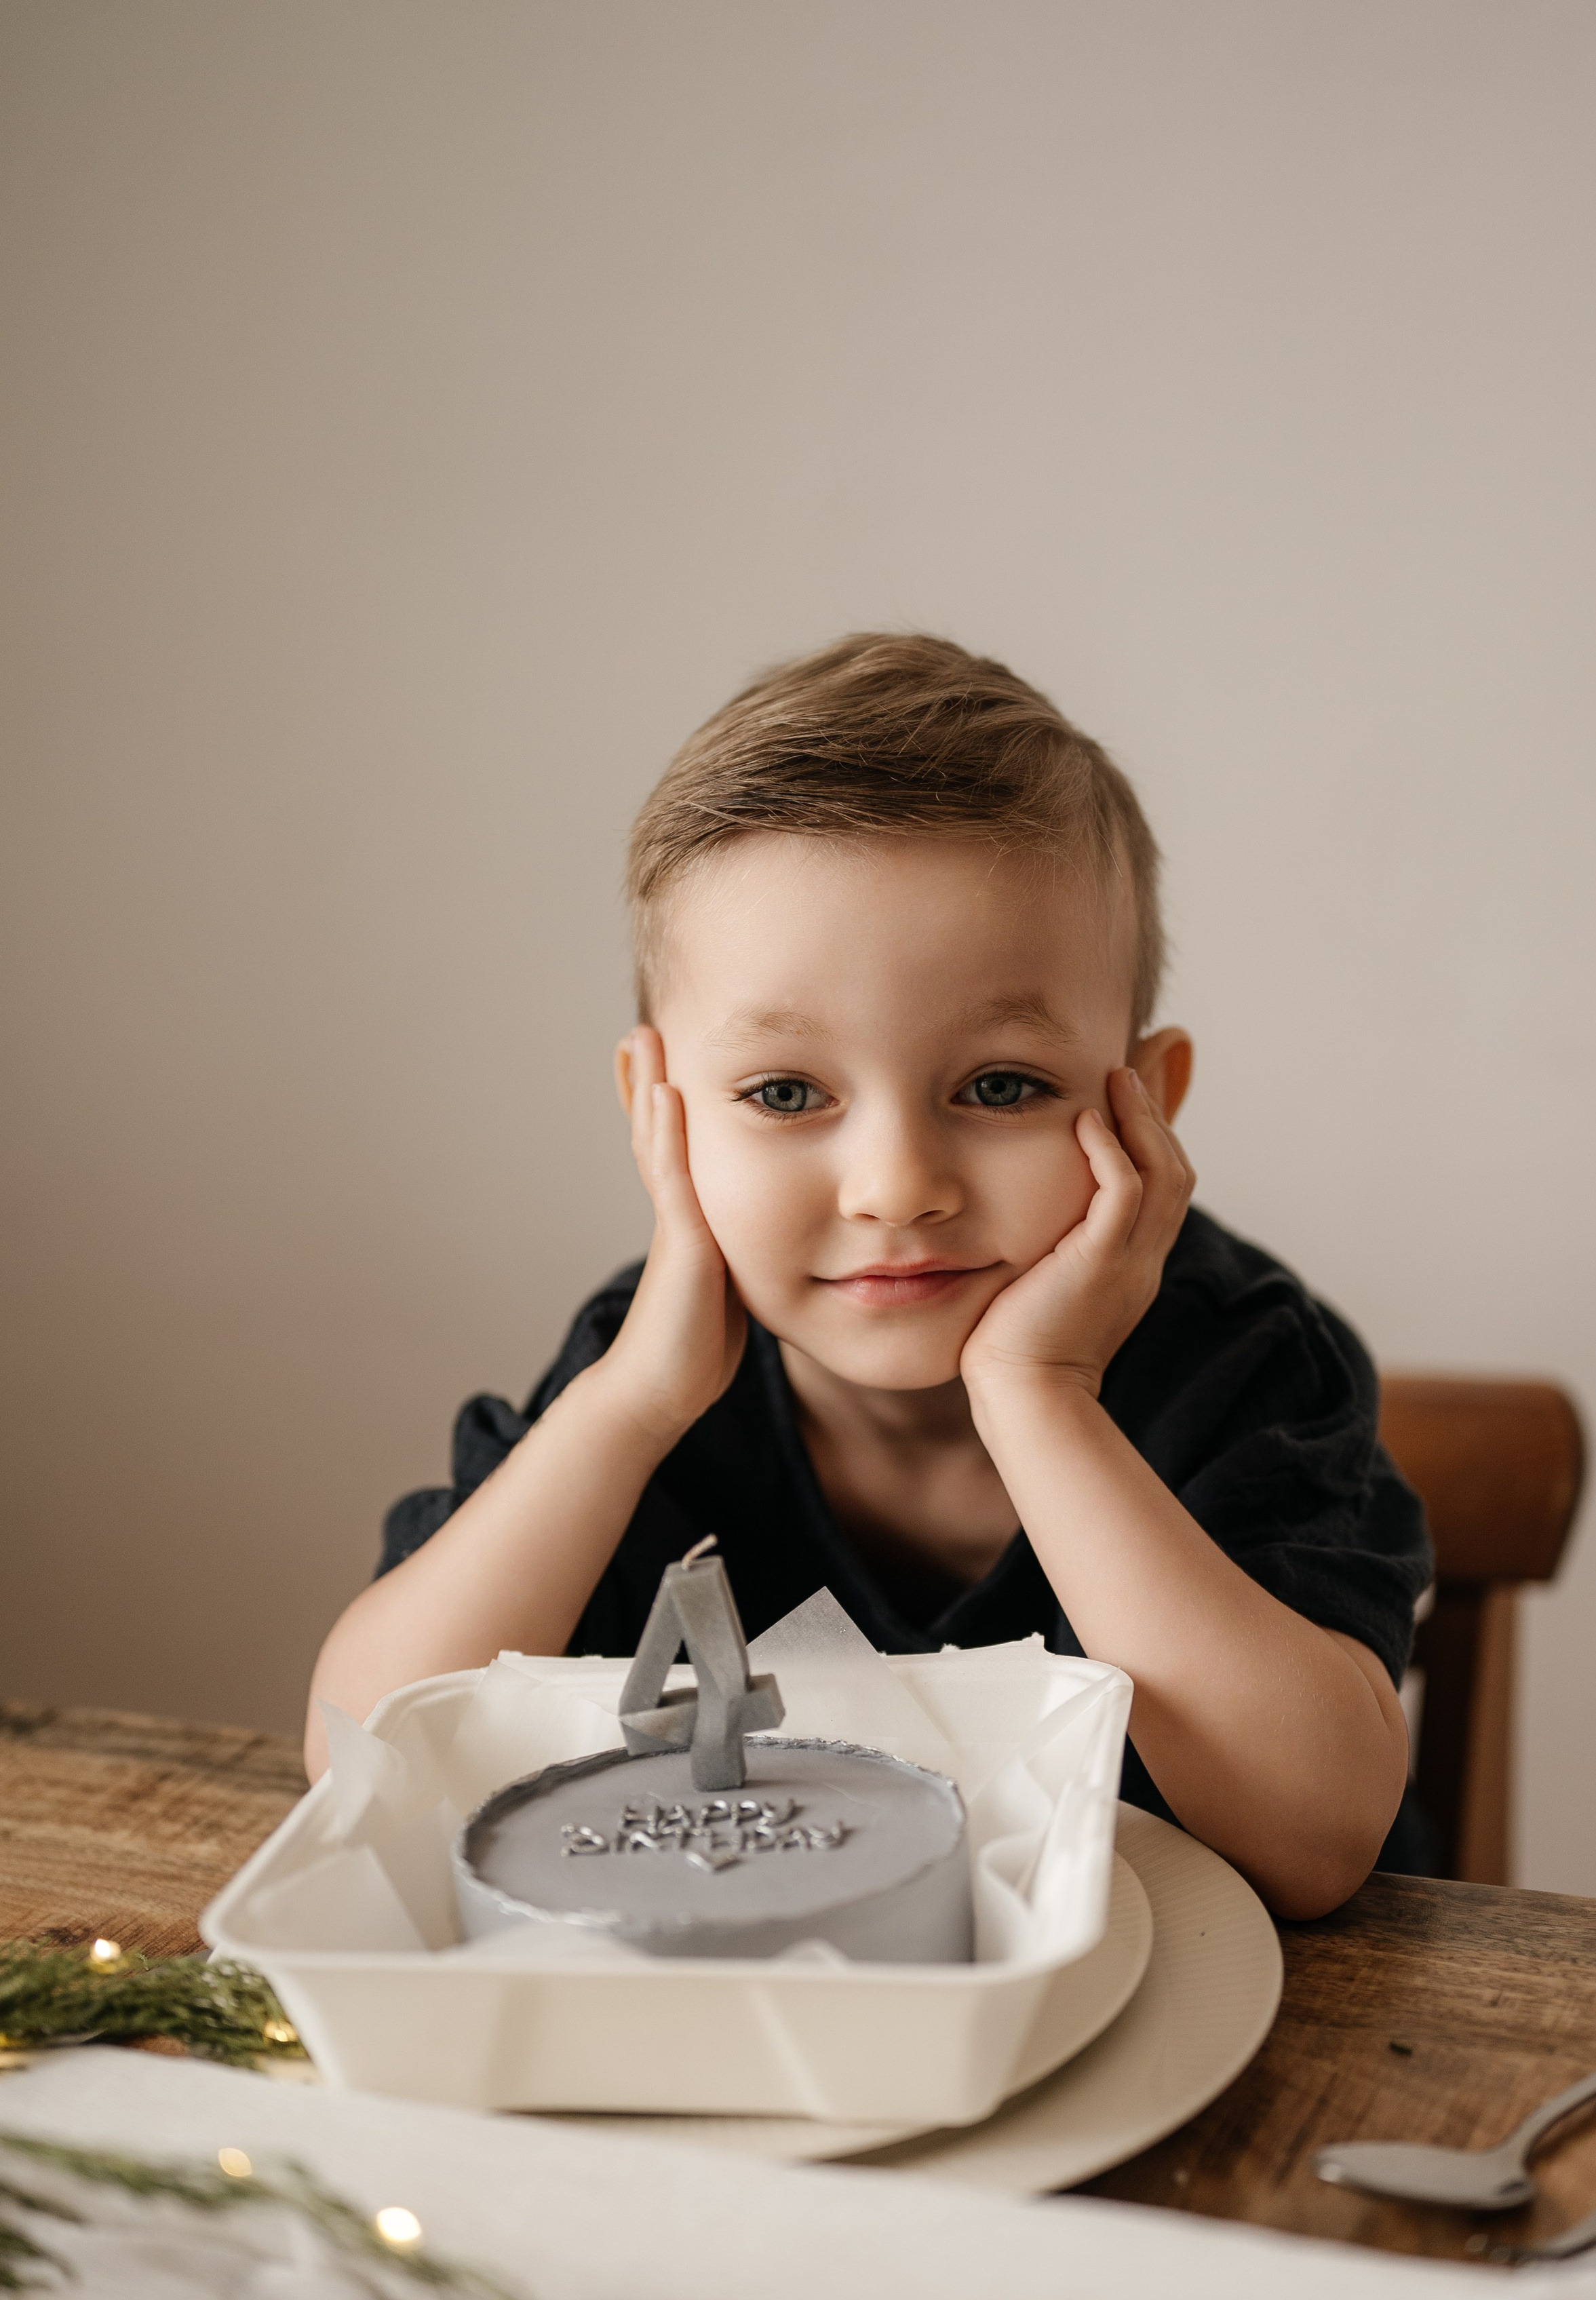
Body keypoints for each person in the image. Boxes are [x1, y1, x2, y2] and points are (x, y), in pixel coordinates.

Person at [306, 634, 1432, 1916]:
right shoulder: (644, 1371)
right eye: (786, 1092)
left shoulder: (1246, 1360)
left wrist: (1042, 1395)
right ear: (658, 1111)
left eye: (1001, 1086)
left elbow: (1315, 1839)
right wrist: (623, 1412)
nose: (897, 1185)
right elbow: (355, 1757)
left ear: (1147, 1105)